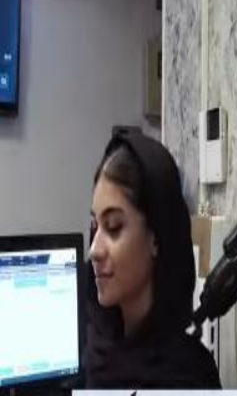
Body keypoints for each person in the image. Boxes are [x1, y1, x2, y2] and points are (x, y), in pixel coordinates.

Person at [85, 131, 221, 389]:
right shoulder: (96, 347)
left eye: (113, 227)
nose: (94, 250)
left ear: (156, 238)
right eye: (95, 227)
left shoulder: (187, 376)